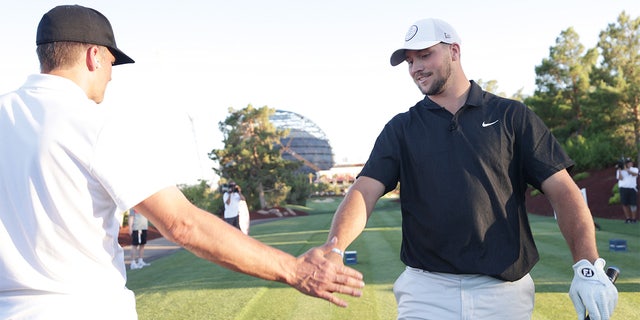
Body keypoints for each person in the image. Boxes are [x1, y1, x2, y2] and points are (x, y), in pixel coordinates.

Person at [0, 5, 363, 318]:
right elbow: (183, 224)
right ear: (94, 56)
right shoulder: (94, 124)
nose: (111, 75)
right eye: (112, 62)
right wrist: (295, 270)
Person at [322, 18, 617, 320]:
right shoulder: (401, 128)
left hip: (505, 294)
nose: (415, 68)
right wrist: (334, 249)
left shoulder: (512, 116)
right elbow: (364, 191)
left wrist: (587, 264)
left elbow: (564, 191)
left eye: (425, 55)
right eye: (410, 61)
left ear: (454, 51)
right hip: (426, 292)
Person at [616, 158, 638, 223]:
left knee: (633, 204)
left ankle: (634, 219)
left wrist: (627, 170)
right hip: (623, 188)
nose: (629, 164)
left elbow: (635, 174)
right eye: (627, 163)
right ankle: (628, 218)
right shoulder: (620, 170)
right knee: (624, 204)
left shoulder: (634, 169)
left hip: (632, 188)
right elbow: (620, 178)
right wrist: (620, 171)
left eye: (630, 162)